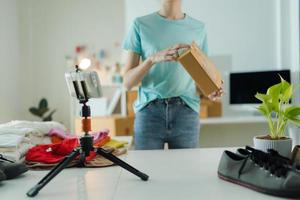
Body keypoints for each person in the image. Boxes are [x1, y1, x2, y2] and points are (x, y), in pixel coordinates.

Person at [122, 0, 223, 150]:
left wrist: (211, 91)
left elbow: (202, 80)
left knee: (186, 172)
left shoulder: (199, 28)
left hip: (186, 112)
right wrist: (152, 59)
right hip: (149, 113)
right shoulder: (140, 25)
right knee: (147, 171)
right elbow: (127, 83)